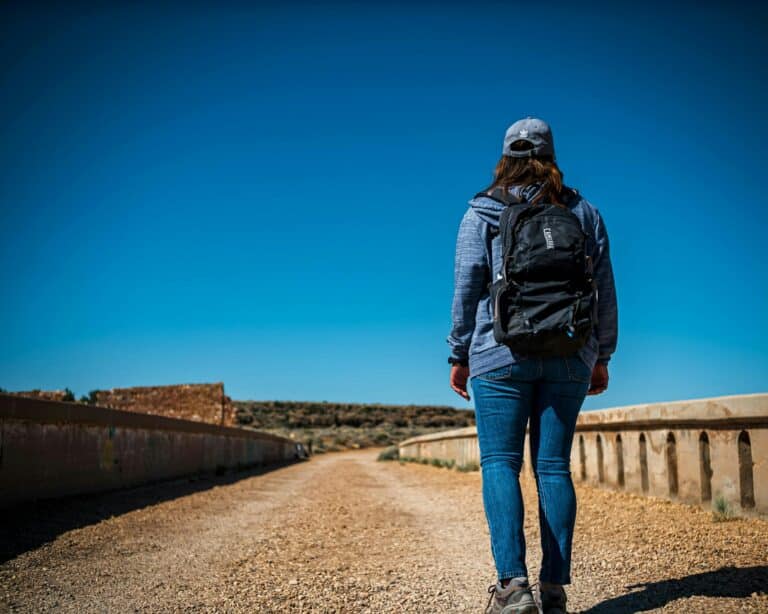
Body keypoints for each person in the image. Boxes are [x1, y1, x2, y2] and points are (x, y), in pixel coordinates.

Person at [446, 117, 618, 614]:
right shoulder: (584, 212)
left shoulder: (482, 211)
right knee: (553, 466)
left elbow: (466, 288)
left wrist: (459, 354)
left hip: (499, 353)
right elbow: (605, 289)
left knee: (501, 463)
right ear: (551, 154)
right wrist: (601, 355)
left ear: (506, 156)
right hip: (569, 352)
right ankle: (554, 589)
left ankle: (512, 587)